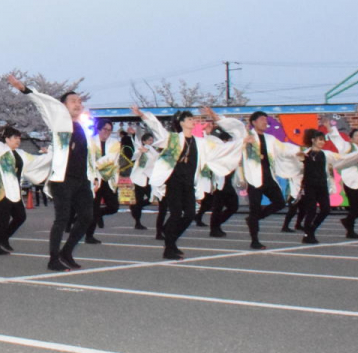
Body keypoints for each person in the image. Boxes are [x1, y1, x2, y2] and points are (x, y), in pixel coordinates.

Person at [8, 74, 98, 271]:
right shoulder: (59, 120)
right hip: (62, 178)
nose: (78, 103)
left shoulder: (83, 126)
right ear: (63, 105)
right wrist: (24, 89)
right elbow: (43, 103)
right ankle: (53, 258)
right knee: (62, 218)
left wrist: (94, 176)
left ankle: (67, 252)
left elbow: (89, 155)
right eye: (73, 101)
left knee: (86, 217)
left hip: (82, 180)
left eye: (80, 101)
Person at [134, 106, 246, 259]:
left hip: (189, 183)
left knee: (190, 214)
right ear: (181, 122)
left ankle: (170, 237)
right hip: (174, 182)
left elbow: (222, 149)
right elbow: (157, 128)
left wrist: (241, 142)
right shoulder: (173, 139)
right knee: (175, 214)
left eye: (193, 119)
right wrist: (143, 115)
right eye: (189, 119)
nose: (193, 121)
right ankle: (169, 247)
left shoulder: (201, 143)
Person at [0, 126, 50, 255]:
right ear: (7, 139)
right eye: (15, 138)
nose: (18, 141)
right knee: (3, 218)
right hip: (1, 189)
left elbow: (37, 161)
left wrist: (50, 153)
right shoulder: (1, 149)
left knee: (20, 216)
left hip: (14, 190)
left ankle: (3, 238)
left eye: (19, 138)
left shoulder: (21, 154)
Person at [241, 111, 303, 250]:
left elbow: (283, 148)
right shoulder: (248, 137)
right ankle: (254, 240)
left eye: (266, 120)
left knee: (280, 202)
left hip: (268, 177)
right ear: (254, 122)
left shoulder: (270, 139)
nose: (265, 122)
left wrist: (296, 151)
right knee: (254, 208)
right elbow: (237, 143)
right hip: (253, 177)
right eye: (262, 119)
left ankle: (254, 219)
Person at [297, 129, 358, 244]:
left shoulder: (326, 154)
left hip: (322, 185)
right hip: (309, 185)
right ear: (313, 140)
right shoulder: (305, 154)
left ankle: (312, 229)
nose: (322, 142)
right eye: (320, 140)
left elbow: (342, 158)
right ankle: (308, 234)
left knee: (325, 209)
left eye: (323, 140)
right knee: (311, 211)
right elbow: (296, 166)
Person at [86, 119, 121, 243]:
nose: (107, 132)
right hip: (94, 179)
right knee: (93, 207)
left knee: (114, 206)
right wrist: (93, 170)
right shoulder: (90, 141)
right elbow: (88, 158)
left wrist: (94, 164)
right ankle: (89, 236)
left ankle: (98, 214)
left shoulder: (115, 143)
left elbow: (110, 159)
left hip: (108, 179)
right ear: (99, 129)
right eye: (105, 129)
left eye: (110, 130)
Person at [128, 128, 157, 230]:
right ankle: (138, 222)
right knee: (139, 199)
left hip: (148, 178)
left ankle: (135, 207)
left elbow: (155, 157)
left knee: (151, 198)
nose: (150, 142)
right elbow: (136, 146)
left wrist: (148, 150)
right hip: (139, 178)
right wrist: (134, 135)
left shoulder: (152, 150)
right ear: (144, 141)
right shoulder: (140, 149)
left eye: (151, 140)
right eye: (148, 140)